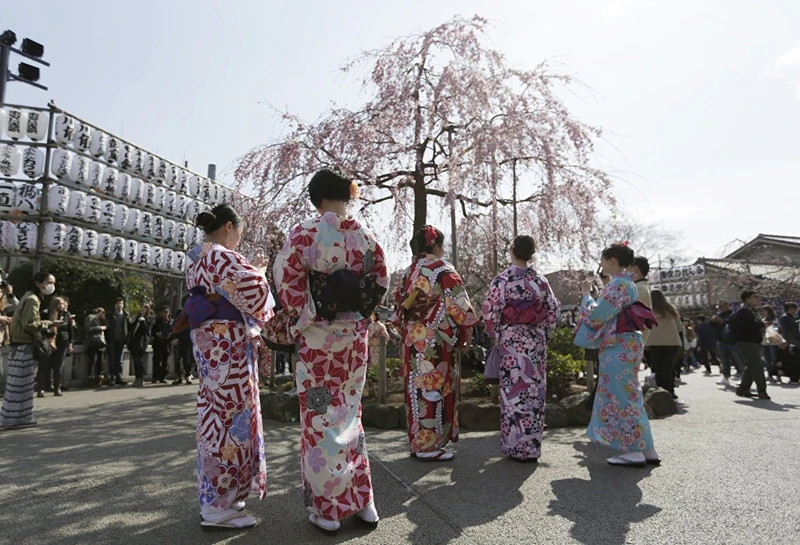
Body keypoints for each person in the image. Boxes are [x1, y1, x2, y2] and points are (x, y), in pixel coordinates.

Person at [273, 169, 389, 534]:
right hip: (354, 337)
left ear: (316, 197)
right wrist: (361, 313)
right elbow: (380, 280)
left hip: (319, 338)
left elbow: (286, 279)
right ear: (346, 196)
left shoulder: (305, 233)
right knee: (350, 414)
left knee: (320, 419)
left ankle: (328, 510)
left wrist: (303, 316)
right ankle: (364, 501)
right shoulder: (366, 236)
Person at [187, 203, 274, 530]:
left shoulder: (197, 258)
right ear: (227, 227)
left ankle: (225, 494)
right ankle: (217, 506)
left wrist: (250, 271)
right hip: (227, 346)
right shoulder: (221, 256)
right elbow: (255, 293)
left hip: (210, 344)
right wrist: (260, 274)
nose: (239, 237)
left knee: (216, 415)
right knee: (230, 418)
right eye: (239, 231)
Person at [394, 225, 478, 462]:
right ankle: (429, 447)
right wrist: (467, 330)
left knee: (416, 389)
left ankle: (418, 442)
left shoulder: (407, 273)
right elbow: (458, 303)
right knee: (433, 387)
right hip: (435, 339)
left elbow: (398, 308)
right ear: (437, 245)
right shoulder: (442, 269)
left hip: (412, 339)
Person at [574, 243, 659, 467]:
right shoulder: (627, 284)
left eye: (603, 259)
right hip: (629, 342)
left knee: (618, 395)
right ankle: (646, 447)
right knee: (630, 394)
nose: (600, 264)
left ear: (612, 260)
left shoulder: (618, 285)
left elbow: (597, 316)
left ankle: (631, 450)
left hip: (618, 344)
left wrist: (586, 297)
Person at [481, 235, 559, 462]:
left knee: (512, 395)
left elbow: (490, 311)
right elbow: (552, 311)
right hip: (534, 343)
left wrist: (496, 335)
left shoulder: (502, 280)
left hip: (511, 343)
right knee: (533, 394)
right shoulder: (541, 281)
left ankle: (514, 447)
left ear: (513, 250)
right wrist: (544, 335)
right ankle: (531, 448)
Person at [0, 272, 62, 430]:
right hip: (24, 346)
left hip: (18, 345)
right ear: (38, 283)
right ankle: (15, 419)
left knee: (19, 385)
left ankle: (17, 418)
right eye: (49, 282)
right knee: (21, 385)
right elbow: (31, 324)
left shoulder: (28, 297)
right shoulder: (33, 300)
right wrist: (50, 323)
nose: (51, 286)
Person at [730, 291, 769, 400]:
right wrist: (761, 324)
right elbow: (745, 327)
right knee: (757, 365)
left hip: (753, 341)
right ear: (747, 299)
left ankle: (743, 389)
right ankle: (762, 390)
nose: (758, 299)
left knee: (751, 365)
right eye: (755, 297)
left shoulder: (752, 311)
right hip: (746, 341)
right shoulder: (743, 311)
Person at [645, 290, 682, 398]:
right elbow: (679, 327)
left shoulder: (648, 310)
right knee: (669, 367)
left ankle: (661, 390)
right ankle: (670, 390)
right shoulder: (671, 310)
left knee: (658, 367)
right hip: (672, 342)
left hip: (654, 342)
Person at [39, 296, 74, 397]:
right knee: (45, 365)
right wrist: (49, 331)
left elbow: (70, 331)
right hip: (47, 342)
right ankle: (41, 388)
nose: (61, 306)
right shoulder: (46, 313)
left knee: (58, 366)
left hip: (62, 342)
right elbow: (39, 329)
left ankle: (57, 388)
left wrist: (70, 343)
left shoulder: (67, 315)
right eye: (59, 304)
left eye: (63, 304)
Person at [712, 301, 742, 387]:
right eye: (719, 307)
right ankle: (725, 376)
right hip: (721, 340)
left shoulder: (733, 314)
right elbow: (714, 328)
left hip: (732, 340)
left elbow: (733, 324)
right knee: (724, 360)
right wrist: (713, 321)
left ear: (728, 305)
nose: (721, 308)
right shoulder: (719, 315)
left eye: (722, 306)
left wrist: (723, 321)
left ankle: (742, 375)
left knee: (738, 359)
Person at [127, 304, 152, 388]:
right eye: (142, 308)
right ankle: (137, 378)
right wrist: (131, 321)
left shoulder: (149, 319)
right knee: (135, 360)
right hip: (134, 342)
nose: (142, 309)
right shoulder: (137, 318)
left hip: (141, 343)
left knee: (138, 360)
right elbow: (131, 329)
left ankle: (141, 378)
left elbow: (147, 331)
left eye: (145, 308)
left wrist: (143, 321)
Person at [106, 297, 129, 386]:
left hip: (121, 340)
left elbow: (128, 328)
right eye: (118, 303)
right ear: (115, 305)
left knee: (119, 360)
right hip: (112, 340)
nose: (120, 305)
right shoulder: (110, 315)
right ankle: (112, 377)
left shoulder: (126, 315)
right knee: (112, 359)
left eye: (121, 304)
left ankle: (119, 376)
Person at [85, 308, 108, 387]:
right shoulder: (90, 317)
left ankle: (99, 378)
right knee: (92, 360)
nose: (103, 314)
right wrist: (100, 328)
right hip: (92, 341)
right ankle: (90, 379)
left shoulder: (102, 319)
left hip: (101, 342)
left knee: (101, 361)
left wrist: (104, 320)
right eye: (102, 313)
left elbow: (107, 326)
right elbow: (88, 328)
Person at [760, 305, 782, 384]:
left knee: (774, 359)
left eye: (764, 311)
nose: (763, 313)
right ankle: (770, 375)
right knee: (767, 360)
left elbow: (775, 329)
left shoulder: (775, 319)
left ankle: (777, 375)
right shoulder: (762, 320)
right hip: (764, 342)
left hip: (773, 342)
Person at [151, 306, 172, 384]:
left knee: (165, 361)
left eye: (167, 312)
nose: (165, 314)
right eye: (164, 312)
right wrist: (157, 333)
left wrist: (170, 335)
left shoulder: (170, 322)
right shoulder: (156, 321)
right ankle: (155, 377)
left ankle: (163, 377)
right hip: (158, 343)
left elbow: (173, 332)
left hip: (166, 344)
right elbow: (152, 331)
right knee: (156, 360)